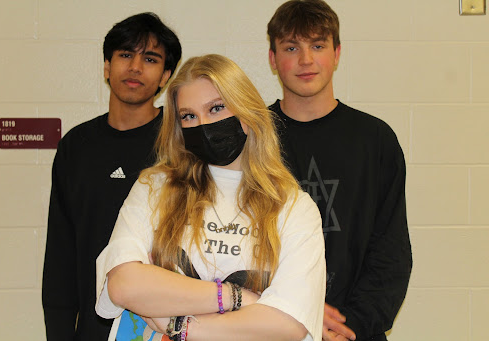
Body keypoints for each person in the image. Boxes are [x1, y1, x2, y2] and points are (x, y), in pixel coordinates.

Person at [95, 54, 326, 341]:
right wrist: (234, 296)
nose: (202, 124)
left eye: (216, 108)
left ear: (246, 111)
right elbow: (124, 286)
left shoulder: (293, 207)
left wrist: (181, 327)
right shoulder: (154, 187)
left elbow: (287, 323)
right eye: (189, 116)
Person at [266, 1, 412, 341]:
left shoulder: (375, 139)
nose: (305, 60)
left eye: (317, 45)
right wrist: (286, 321)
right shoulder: (251, 139)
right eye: (291, 47)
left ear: (337, 53)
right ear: (273, 59)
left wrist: (352, 328)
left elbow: (391, 254)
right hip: (270, 329)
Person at [42, 12, 181, 341]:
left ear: (165, 76)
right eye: (125, 55)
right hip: (93, 329)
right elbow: (60, 258)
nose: (135, 67)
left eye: (150, 58)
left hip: (164, 327)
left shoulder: (182, 144)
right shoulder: (76, 146)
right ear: (107, 67)